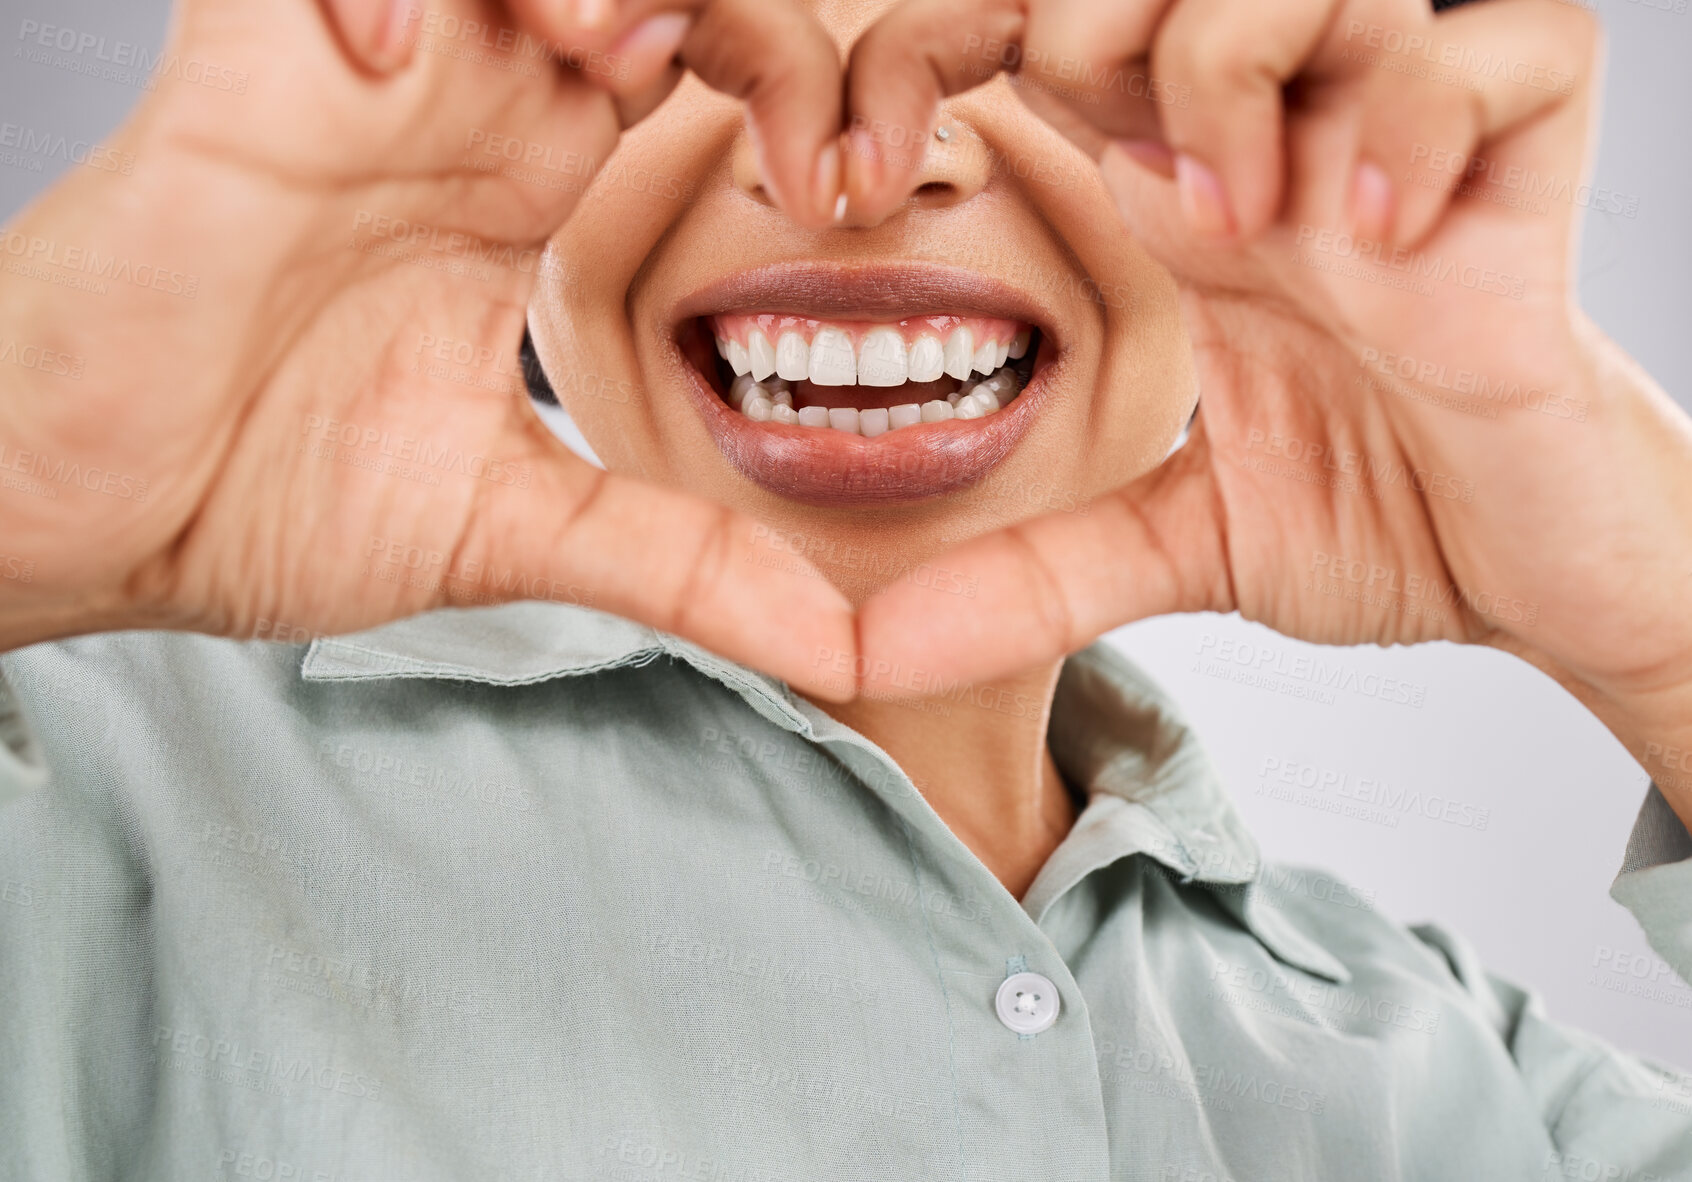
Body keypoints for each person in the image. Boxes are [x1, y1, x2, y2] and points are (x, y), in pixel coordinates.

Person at [2, 0, 1690, 1176]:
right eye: (699, 23)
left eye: (1024, 24)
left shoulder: (1470, 1080)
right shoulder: (72, 800)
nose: (864, 169)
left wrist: (1671, 637)